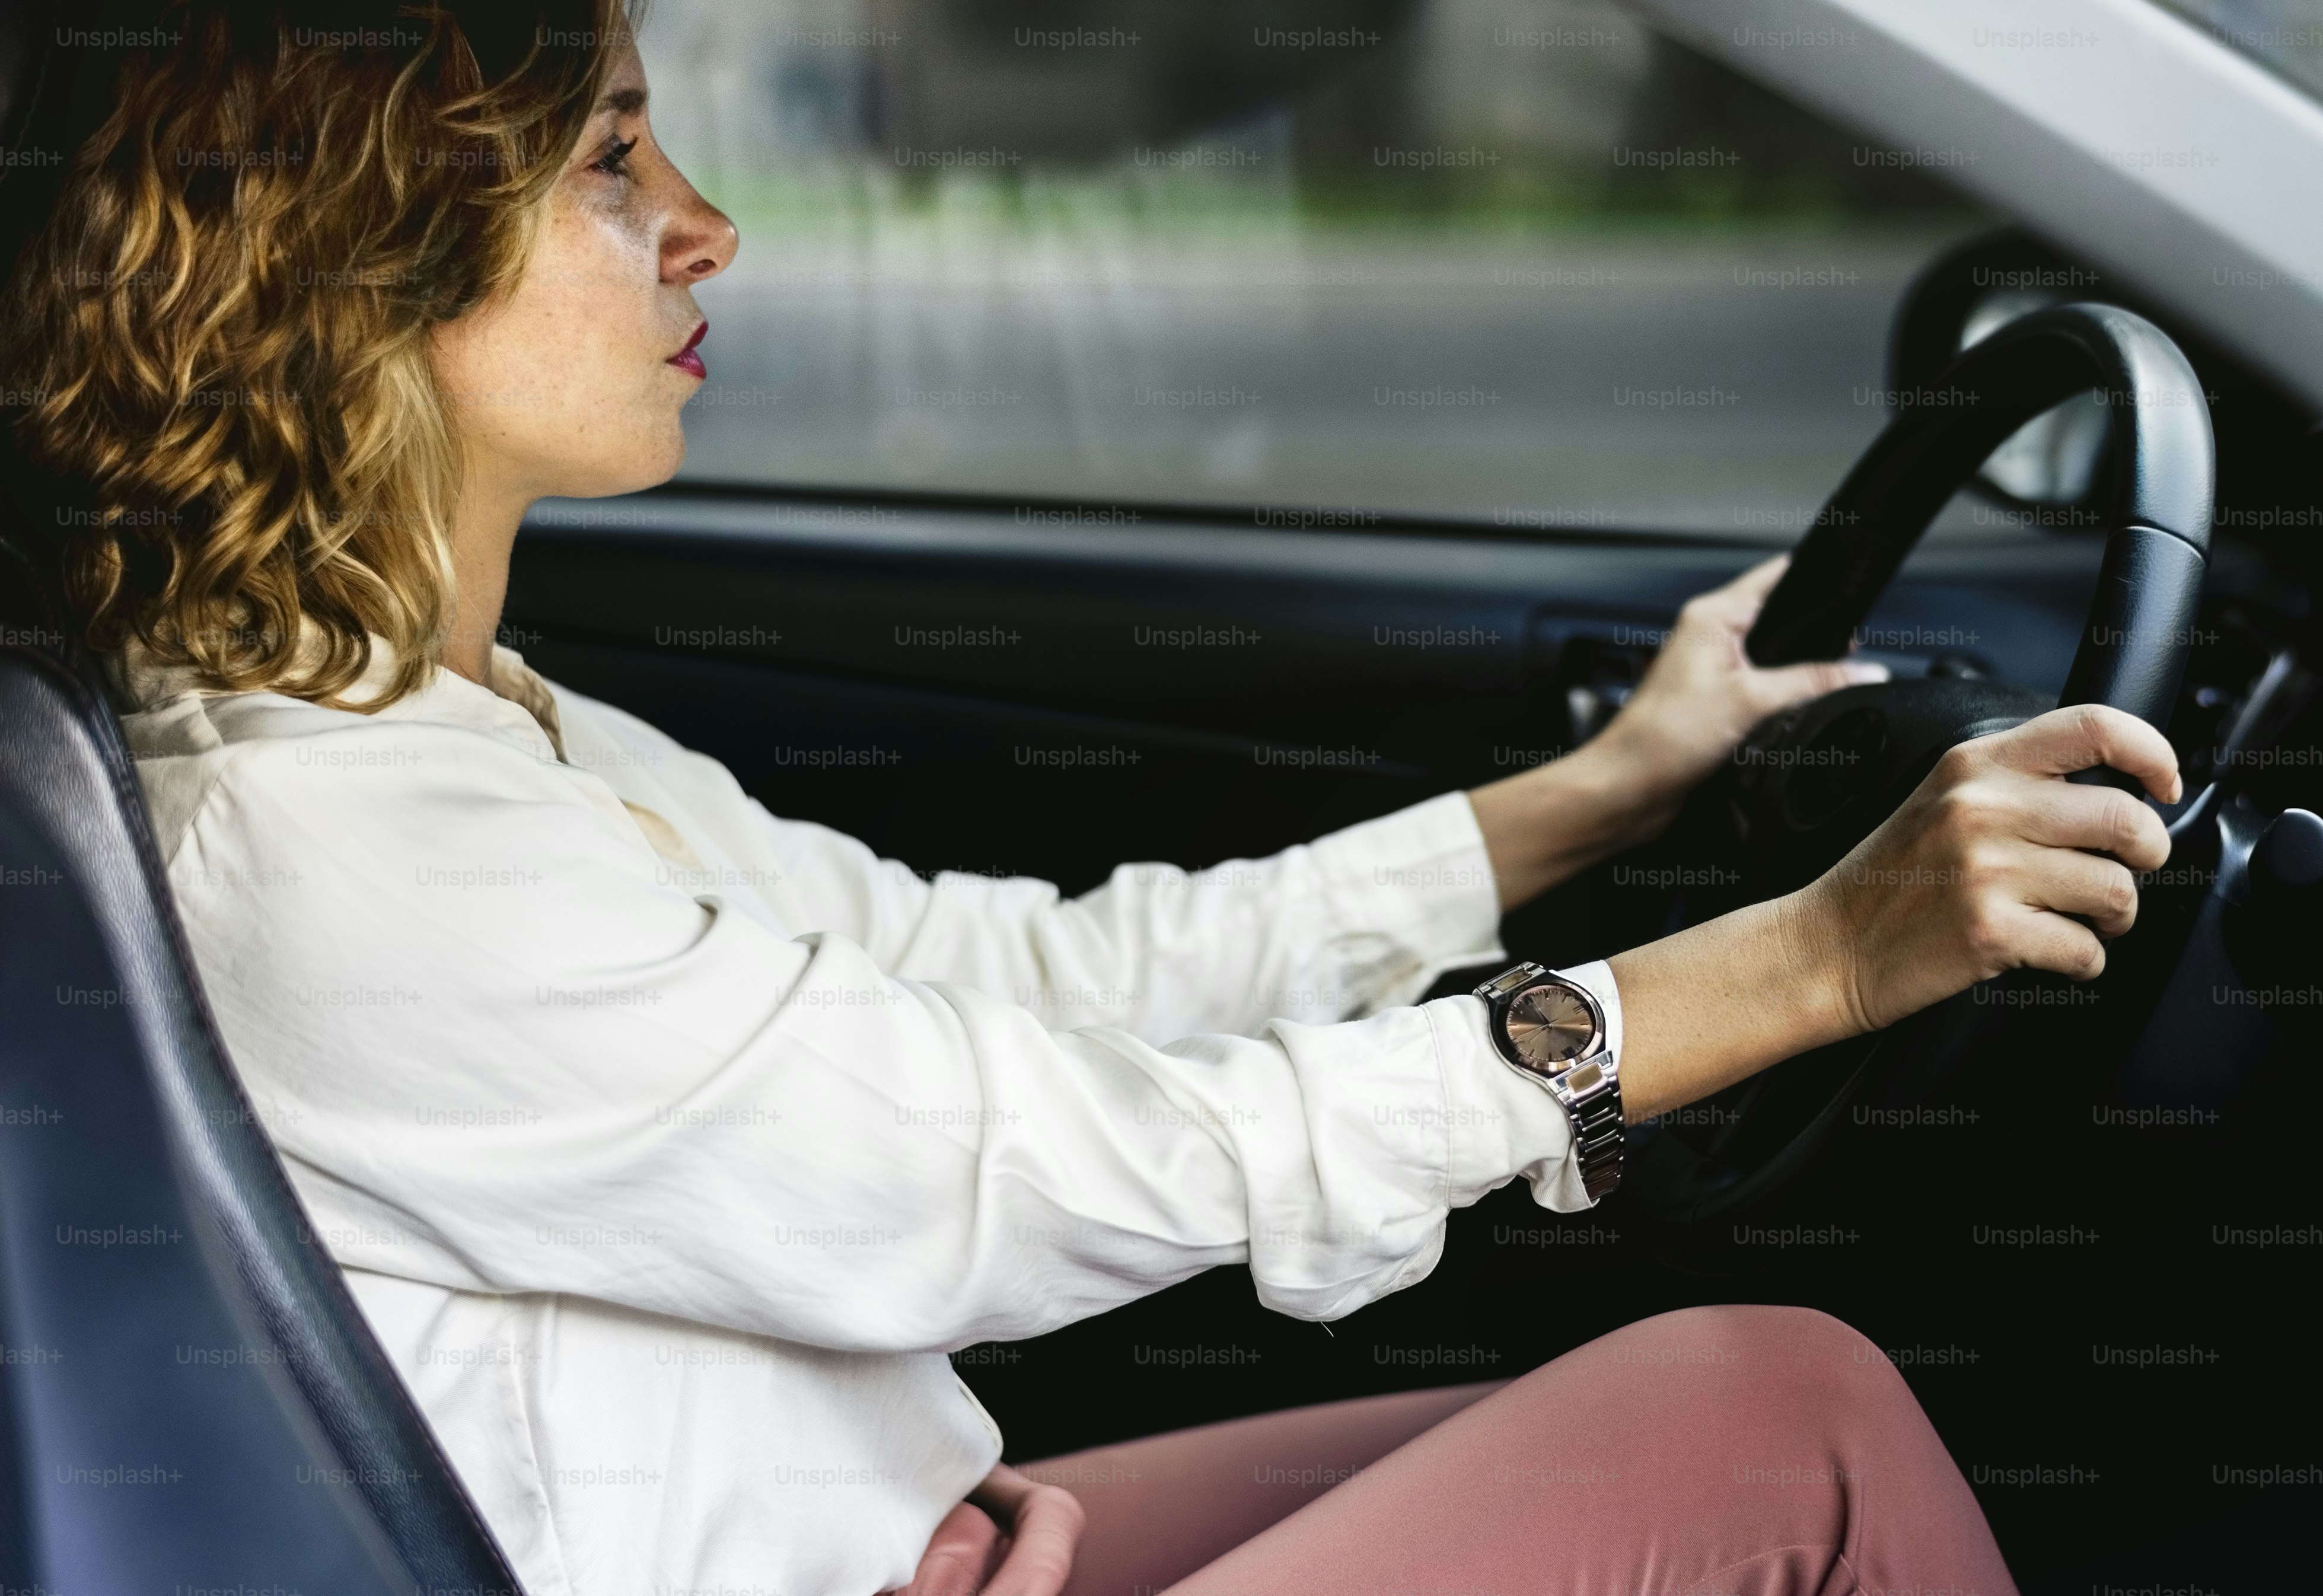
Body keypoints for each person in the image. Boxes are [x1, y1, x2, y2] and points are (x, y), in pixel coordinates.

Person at [2, 5, 2178, 1594]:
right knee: (1771, 1425)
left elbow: (1028, 978)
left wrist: (1591, 800)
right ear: (349, 261)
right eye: (610, 160)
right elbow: (1067, 1164)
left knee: (1707, 1411)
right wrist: (1807, 955)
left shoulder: (457, 726)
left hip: (933, 1542)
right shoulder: (358, 857)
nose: (708, 229)